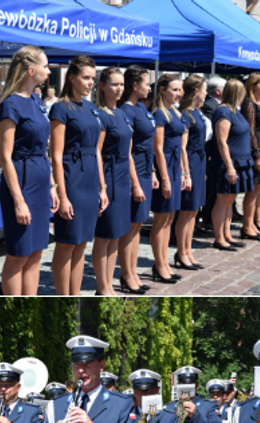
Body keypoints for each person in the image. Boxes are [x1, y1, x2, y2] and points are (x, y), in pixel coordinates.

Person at [0, 45, 54, 295]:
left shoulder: (37, 100)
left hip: (39, 178)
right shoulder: (10, 105)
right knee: (19, 254)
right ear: (31, 70)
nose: (48, 71)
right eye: (45, 66)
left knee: (36, 251)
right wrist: (19, 201)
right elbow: (5, 157)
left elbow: (43, 149)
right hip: (21, 180)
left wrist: (52, 187)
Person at [50, 56, 107, 296]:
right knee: (66, 243)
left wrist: (103, 188)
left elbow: (97, 150)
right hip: (72, 178)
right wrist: (62, 194)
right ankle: (63, 297)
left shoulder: (91, 107)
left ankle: (74, 295)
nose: (90, 83)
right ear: (71, 78)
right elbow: (56, 154)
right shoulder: (60, 108)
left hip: (91, 179)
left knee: (82, 243)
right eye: (86, 78)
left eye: (93, 78)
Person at [88, 67, 134, 296]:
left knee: (116, 234)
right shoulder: (101, 115)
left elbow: (130, 150)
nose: (119, 89)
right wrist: (102, 186)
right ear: (102, 85)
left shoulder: (122, 113)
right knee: (104, 235)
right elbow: (97, 151)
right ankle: (102, 286)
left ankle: (109, 283)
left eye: (122, 84)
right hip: (109, 175)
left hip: (123, 176)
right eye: (115, 84)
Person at [117, 65, 157, 294]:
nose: (149, 87)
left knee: (138, 225)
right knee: (131, 227)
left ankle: (132, 273)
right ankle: (127, 274)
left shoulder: (142, 107)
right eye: (146, 83)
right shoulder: (126, 111)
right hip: (135, 171)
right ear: (135, 86)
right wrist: (135, 183)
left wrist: (151, 172)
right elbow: (128, 151)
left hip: (145, 170)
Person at [150, 74, 188, 284]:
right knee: (161, 217)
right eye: (174, 89)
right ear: (162, 89)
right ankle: (159, 264)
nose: (178, 93)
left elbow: (181, 147)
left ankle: (164, 262)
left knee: (170, 217)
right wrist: (164, 178)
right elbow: (157, 148)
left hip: (175, 167)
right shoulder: (159, 113)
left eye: (179, 89)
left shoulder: (175, 111)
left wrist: (183, 172)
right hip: (165, 165)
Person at [210, 79, 256, 251]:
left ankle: (227, 234)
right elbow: (222, 142)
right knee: (222, 200)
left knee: (230, 200)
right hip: (228, 163)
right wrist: (229, 166)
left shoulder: (235, 111)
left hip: (241, 162)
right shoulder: (223, 112)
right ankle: (219, 238)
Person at [176, 75, 208, 273]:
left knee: (194, 210)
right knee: (187, 210)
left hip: (200, 161)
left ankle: (188, 250)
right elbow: (182, 147)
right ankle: (181, 252)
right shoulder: (186, 115)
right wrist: (186, 172)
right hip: (191, 161)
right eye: (204, 89)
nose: (206, 93)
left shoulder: (197, 112)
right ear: (196, 91)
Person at [241, 73, 260, 239]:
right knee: (253, 188)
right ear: (252, 86)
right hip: (258, 149)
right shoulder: (249, 104)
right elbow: (250, 130)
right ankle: (247, 225)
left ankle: (257, 220)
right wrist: (256, 153)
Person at [198, 77, 225, 231]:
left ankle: (207, 218)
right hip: (209, 153)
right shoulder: (210, 106)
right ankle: (206, 218)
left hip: (212, 153)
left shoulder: (215, 105)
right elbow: (210, 134)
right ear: (218, 91)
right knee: (208, 191)